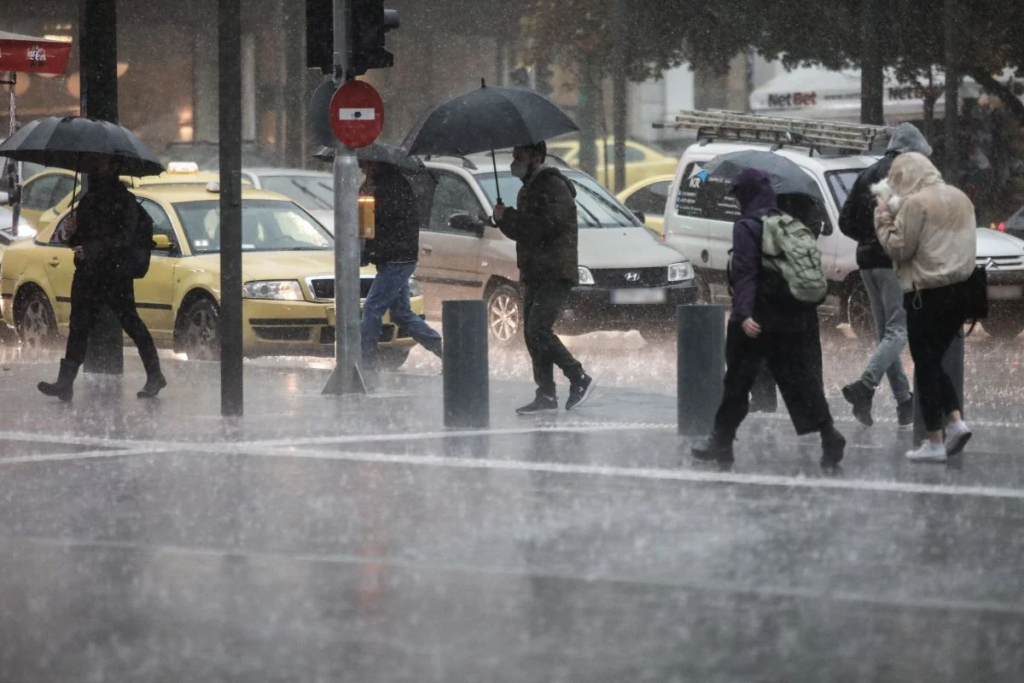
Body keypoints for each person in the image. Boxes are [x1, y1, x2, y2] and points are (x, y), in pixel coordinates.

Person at [692, 168, 846, 466]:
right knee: (801, 381)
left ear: (746, 194)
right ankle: (829, 434)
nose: (736, 201)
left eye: (738, 194)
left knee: (737, 382)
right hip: (792, 316)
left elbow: (746, 274)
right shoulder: (787, 223)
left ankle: (721, 443)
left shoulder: (748, 226)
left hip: (759, 319)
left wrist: (744, 315)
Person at [873, 152, 976, 462]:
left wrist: (883, 216)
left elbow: (898, 248)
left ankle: (935, 440)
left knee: (926, 364)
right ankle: (954, 423)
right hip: (963, 292)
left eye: (897, 179)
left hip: (927, 293)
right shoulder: (960, 197)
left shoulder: (917, 203)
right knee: (932, 361)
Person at [37, 163, 166, 401]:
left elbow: (123, 239)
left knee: (131, 323)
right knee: (79, 326)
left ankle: (155, 374)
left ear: (112, 169)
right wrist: (72, 233)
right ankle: (65, 382)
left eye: (102, 164)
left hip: (115, 275)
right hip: (88, 274)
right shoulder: (89, 199)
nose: (96, 169)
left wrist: (90, 249)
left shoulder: (124, 201)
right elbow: (84, 239)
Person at [838, 123, 933, 428]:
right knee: (899, 330)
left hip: (866, 263)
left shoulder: (868, 173)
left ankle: (905, 403)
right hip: (893, 260)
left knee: (886, 334)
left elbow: (845, 220)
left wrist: (868, 238)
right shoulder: (908, 174)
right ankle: (864, 387)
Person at [493, 142, 594, 414]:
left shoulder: (551, 185)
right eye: (513, 156)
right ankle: (546, 394)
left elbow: (546, 227)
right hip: (535, 272)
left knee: (538, 329)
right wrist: (503, 219)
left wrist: (512, 217)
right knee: (531, 333)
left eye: (519, 156)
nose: (514, 162)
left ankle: (578, 377)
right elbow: (525, 233)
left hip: (555, 271)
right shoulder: (529, 188)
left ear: (536, 158)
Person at [360, 162, 443, 372]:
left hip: (397, 259)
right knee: (400, 313)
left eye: (365, 165)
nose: (363, 169)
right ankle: (444, 350)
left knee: (372, 307)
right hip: (395, 257)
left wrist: (368, 199)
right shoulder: (387, 185)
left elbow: (379, 222)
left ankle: (365, 360)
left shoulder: (391, 188)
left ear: (377, 165)